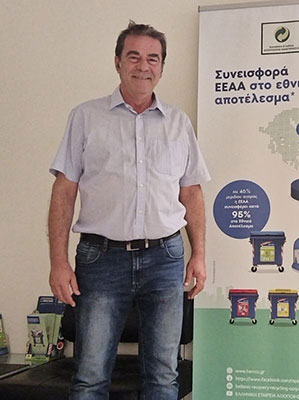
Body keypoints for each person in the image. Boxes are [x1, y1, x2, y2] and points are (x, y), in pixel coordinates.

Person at [48, 21, 210, 399]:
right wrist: (58, 261)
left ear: (162, 67)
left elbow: (191, 192)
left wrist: (199, 253)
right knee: (89, 377)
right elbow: (64, 191)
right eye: (134, 56)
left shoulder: (178, 123)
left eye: (153, 58)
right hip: (101, 259)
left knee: (163, 376)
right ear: (118, 62)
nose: (143, 66)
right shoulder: (86, 117)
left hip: (166, 257)